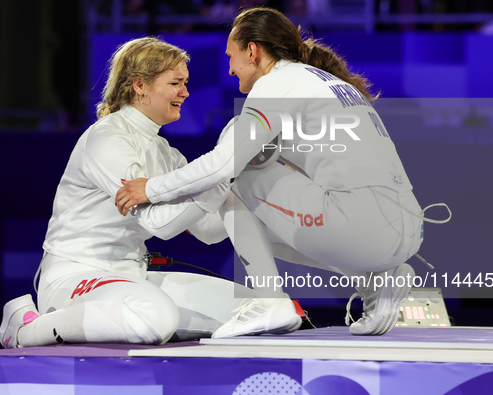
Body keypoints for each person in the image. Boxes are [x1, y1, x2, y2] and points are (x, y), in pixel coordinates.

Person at [115, 7, 450, 337]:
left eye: (231, 56)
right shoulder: (328, 83)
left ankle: (270, 302)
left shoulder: (278, 85)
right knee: (260, 228)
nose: (230, 70)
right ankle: (374, 281)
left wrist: (152, 189)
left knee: (240, 174)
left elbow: (223, 165)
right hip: (409, 228)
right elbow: (225, 226)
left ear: (253, 50)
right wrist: (196, 213)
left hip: (364, 224)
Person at [0, 37, 262, 349]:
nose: (185, 93)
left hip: (130, 280)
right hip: (74, 278)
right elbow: (158, 224)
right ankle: (26, 329)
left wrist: (239, 181)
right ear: (140, 86)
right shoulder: (107, 139)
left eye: (186, 83)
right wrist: (220, 173)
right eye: (176, 82)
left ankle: (126, 314)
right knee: (155, 317)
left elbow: (207, 231)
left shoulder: (165, 152)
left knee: (255, 310)